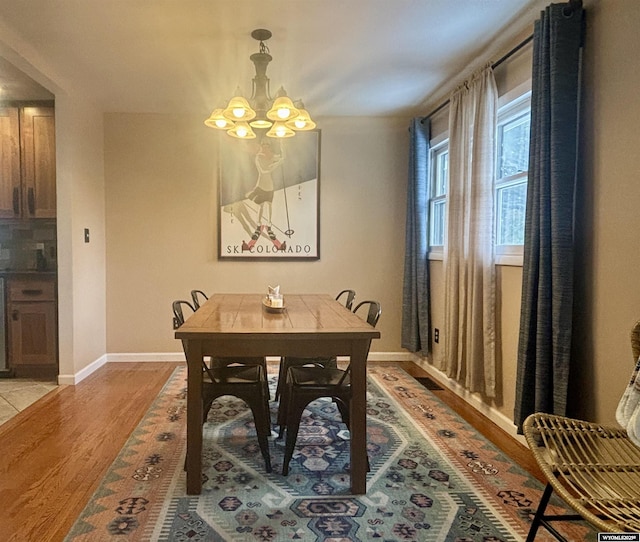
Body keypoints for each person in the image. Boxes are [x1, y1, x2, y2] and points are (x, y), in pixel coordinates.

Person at [243, 141, 287, 251]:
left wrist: (283, 146)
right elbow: (264, 171)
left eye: (268, 147)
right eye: (264, 146)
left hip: (270, 186)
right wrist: (276, 164)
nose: (266, 149)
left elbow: (283, 158)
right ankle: (259, 224)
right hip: (261, 185)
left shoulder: (271, 156)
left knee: (269, 205)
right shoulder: (258, 158)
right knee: (261, 205)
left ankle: (269, 224)